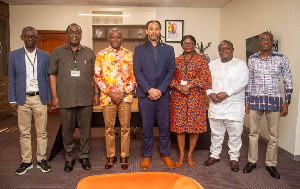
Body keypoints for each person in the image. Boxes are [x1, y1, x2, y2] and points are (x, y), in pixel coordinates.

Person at [48, 23, 100, 172]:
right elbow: (53, 75)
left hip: (86, 97)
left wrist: (96, 93)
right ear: (67, 34)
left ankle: (84, 156)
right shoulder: (57, 52)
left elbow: (95, 76)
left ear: (81, 35)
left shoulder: (89, 53)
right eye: (71, 32)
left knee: (86, 130)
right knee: (67, 130)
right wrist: (54, 96)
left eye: (77, 32)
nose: (74, 35)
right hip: (66, 97)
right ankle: (69, 158)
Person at [243, 32, 293, 179]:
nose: (266, 41)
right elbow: (249, 81)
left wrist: (287, 102)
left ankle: (271, 164)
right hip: (255, 100)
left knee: (273, 136)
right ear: (259, 42)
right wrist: (247, 101)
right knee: (253, 133)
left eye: (269, 39)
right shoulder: (252, 59)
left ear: (272, 42)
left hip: (274, 101)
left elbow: (288, 80)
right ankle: (252, 161)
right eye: (263, 39)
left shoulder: (281, 58)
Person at [8, 26, 52, 175]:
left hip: (40, 97)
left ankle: (41, 159)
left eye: (33, 36)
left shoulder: (45, 55)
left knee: (42, 132)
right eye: (27, 36)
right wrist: (12, 99)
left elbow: (47, 78)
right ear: (22, 37)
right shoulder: (14, 55)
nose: (30, 39)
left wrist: (49, 97)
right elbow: (12, 79)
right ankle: (26, 161)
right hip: (22, 98)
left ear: (37, 38)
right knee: (24, 132)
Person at [133, 20, 175, 170]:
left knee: (164, 127)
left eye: (157, 29)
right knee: (147, 127)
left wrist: (160, 89)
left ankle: (166, 154)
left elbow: (171, 71)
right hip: (146, 95)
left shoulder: (169, 49)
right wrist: (149, 90)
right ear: (146, 31)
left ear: (161, 31)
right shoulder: (138, 49)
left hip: (163, 95)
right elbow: (137, 71)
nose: (154, 31)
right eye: (151, 29)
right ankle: (147, 156)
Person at [203, 40, 249, 172]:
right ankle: (214, 155)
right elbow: (206, 81)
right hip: (216, 105)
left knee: (235, 134)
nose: (224, 51)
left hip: (234, 106)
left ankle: (234, 158)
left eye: (227, 48)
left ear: (232, 49)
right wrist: (210, 93)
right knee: (216, 133)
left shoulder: (240, 64)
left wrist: (227, 93)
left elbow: (243, 82)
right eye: (221, 49)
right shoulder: (212, 64)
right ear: (218, 51)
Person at [94, 28, 136, 170]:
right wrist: (110, 93)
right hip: (108, 97)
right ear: (109, 39)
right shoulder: (101, 55)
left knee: (125, 128)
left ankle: (124, 155)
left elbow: (134, 77)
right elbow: (97, 77)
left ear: (122, 39)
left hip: (125, 97)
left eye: (118, 37)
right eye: (113, 37)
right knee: (109, 128)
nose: (115, 39)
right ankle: (111, 156)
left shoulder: (129, 55)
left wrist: (123, 93)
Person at [170, 35, 212, 167]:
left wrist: (188, 86)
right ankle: (182, 153)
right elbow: (169, 77)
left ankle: (190, 153)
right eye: (185, 43)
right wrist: (178, 87)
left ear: (194, 45)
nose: (188, 45)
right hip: (178, 97)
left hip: (195, 97)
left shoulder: (201, 59)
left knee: (194, 126)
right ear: (182, 45)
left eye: (190, 43)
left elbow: (205, 78)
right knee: (179, 126)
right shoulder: (175, 60)